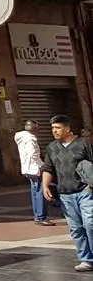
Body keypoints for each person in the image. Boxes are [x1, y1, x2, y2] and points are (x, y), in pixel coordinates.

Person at [39, 114, 93, 272]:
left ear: (68, 129)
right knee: (76, 228)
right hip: (65, 193)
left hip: (85, 190)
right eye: (52, 128)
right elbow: (48, 168)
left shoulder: (83, 144)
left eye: (58, 128)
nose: (54, 131)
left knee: (90, 224)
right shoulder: (52, 148)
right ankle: (86, 259)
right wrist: (45, 186)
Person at [15, 120, 52, 225]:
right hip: (35, 168)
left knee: (35, 191)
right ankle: (41, 217)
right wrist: (42, 165)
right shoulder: (30, 139)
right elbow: (33, 154)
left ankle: (37, 216)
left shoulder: (21, 138)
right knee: (40, 191)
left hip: (27, 169)